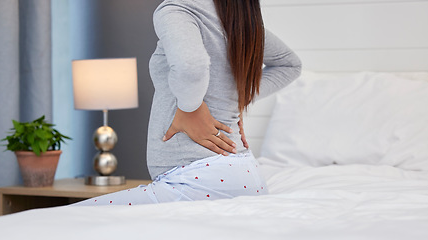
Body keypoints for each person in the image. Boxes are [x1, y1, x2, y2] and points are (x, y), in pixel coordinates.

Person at [73, 0, 301, 206]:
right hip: (248, 177)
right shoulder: (237, 18)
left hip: (195, 182)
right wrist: (237, 99)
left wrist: (190, 108)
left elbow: (191, 67)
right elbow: (290, 65)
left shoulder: (178, 9)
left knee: (68, 220)